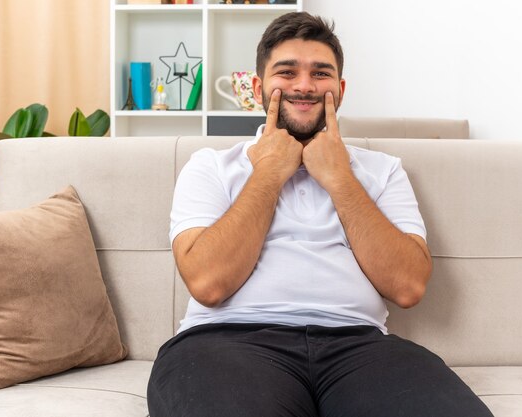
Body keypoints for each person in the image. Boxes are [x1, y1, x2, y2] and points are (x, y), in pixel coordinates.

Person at [147, 11, 493, 417]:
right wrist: (269, 174)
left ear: (340, 89)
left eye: (321, 73)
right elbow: (207, 283)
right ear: (258, 86)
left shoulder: (383, 171)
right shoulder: (210, 166)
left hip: (359, 347)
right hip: (227, 343)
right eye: (287, 72)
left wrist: (341, 178)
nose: (305, 86)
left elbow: (408, 287)